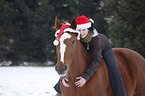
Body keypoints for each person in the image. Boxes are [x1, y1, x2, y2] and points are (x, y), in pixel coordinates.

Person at [54, 15, 126, 96]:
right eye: (79, 30)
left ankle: (121, 94)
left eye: (84, 30)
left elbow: (96, 59)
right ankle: (59, 90)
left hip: (103, 49)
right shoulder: (76, 37)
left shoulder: (96, 40)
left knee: (113, 70)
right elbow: (70, 57)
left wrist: (85, 77)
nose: (81, 33)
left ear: (88, 29)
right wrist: (62, 77)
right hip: (87, 50)